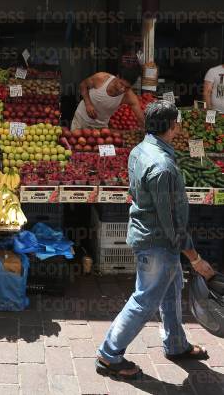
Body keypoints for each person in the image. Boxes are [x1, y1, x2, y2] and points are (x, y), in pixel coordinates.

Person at [95, 100, 215, 380]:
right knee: (145, 299)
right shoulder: (162, 167)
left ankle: (176, 344)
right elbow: (170, 221)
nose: (179, 128)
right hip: (157, 242)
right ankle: (109, 354)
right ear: (171, 126)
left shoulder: (140, 149)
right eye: (177, 124)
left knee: (172, 289)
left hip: (151, 235)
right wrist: (195, 258)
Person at [72, 68, 144, 130]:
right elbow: (83, 85)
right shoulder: (101, 78)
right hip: (81, 120)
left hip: (101, 127)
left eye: (127, 87)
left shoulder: (129, 96)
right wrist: (88, 104)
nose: (122, 89)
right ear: (117, 77)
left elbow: (141, 118)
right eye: (121, 84)